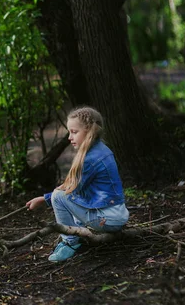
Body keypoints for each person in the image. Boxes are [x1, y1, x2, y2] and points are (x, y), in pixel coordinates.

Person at [26, 106, 129, 262]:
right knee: (73, 197)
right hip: (116, 216)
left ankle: (71, 242)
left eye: (74, 132)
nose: (69, 137)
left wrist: (44, 199)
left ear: (88, 131)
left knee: (58, 196)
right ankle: (76, 236)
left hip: (107, 219)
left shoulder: (90, 159)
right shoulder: (102, 149)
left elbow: (70, 190)